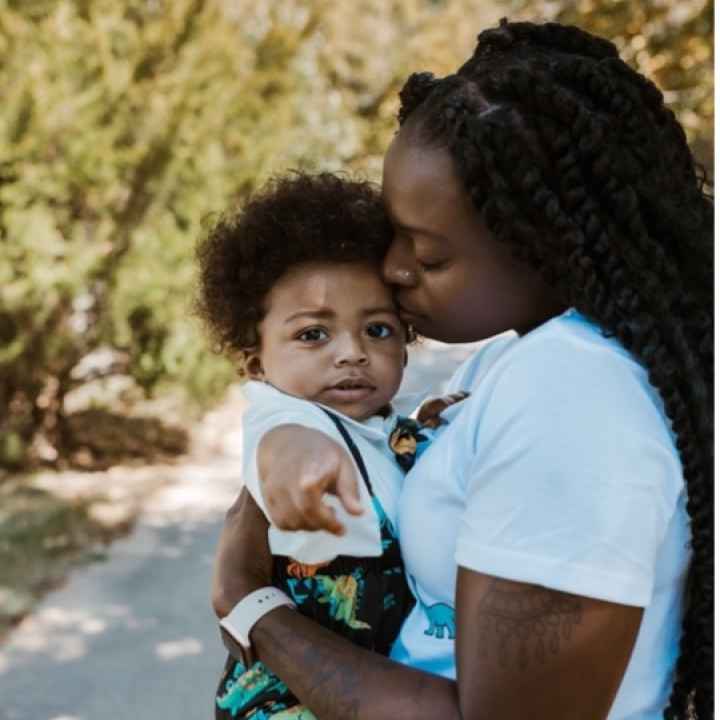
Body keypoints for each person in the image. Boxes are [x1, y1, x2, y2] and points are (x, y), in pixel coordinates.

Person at [211, 19, 713, 720]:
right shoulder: (521, 360)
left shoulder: (572, 392)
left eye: (428, 254)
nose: (391, 270)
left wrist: (250, 607)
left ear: (542, 246)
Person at [195, 172, 468, 719]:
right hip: (286, 702)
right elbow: (278, 447)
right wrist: (300, 456)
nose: (351, 352)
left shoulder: (382, 429)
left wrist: (426, 433)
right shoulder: (288, 417)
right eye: (313, 334)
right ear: (256, 363)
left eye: (378, 330)